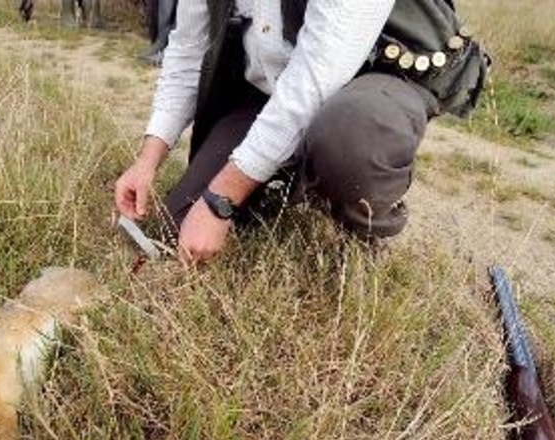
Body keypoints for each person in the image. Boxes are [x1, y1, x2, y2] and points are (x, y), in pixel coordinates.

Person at [114, 0, 438, 264]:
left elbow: (316, 82)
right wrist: (147, 161)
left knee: (349, 141)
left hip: (370, 85)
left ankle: (363, 234)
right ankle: (289, 183)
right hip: (269, 89)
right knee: (179, 224)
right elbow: (188, 52)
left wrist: (221, 200)